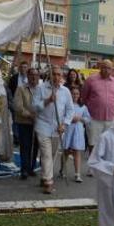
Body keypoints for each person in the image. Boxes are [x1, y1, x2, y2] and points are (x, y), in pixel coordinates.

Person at [33, 66, 75, 194]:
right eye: (54, 74)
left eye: (58, 74)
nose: (56, 77)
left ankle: (44, 176)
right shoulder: (41, 88)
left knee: (51, 155)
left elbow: (70, 110)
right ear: (48, 75)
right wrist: (47, 101)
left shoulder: (65, 91)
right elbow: (34, 106)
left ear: (61, 76)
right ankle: (48, 182)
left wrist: (65, 124)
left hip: (58, 128)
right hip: (43, 125)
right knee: (46, 154)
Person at [80, 60, 114, 176]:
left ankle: (105, 166)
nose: (106, 70)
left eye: (109, 68)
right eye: (104, 67)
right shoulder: (91, 80)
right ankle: (92, 166)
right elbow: (84, 97)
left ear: (112, 69)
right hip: (94, 117)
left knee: (109, 143)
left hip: (111, 118)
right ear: (100, 67)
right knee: (93, 143)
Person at [13, 67, 40, 180]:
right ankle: (24, 169)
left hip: (38, 123)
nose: (34, 77)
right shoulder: (21, 89)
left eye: (36, 75)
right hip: (24, 122)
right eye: (31, 75)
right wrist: (29, 115)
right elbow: (18, 106)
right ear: (27, 76)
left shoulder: (41, 89)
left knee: (35, 147)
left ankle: (31, 167)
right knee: (25, 146)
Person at [62, 87, 91, 183]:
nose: (75, 96)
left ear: (79, 95)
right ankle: (62, 169)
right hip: (68, 130)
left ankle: (77, 174)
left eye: (77, 94)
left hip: (78, 131)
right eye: (73, 93)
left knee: (77, 152)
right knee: (66, 151)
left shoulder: (83, 107)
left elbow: (88, 119)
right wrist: (70, 119)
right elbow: (62, 116)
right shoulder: (66, 105)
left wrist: (80, 119)